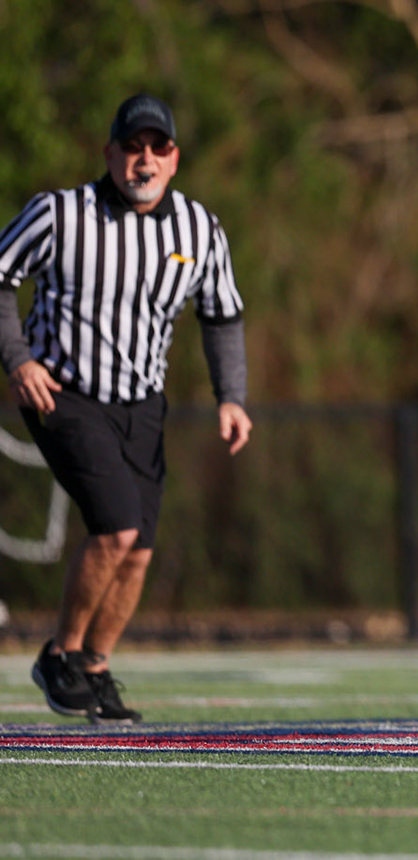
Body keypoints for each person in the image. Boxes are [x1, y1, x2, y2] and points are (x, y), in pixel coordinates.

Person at [1, 94, 251, 723]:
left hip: (142, 405)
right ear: (109, 153)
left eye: (156, 149)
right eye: (132, 148)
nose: (144, 161)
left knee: (138, 551)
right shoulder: (60, 214)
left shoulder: (200, 229)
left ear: (174, 159)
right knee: (116, 530)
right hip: (66, 393)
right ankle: (59, 654)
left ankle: (95, 665)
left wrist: (232, 398)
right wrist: (18, 358)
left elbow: (222, 314)